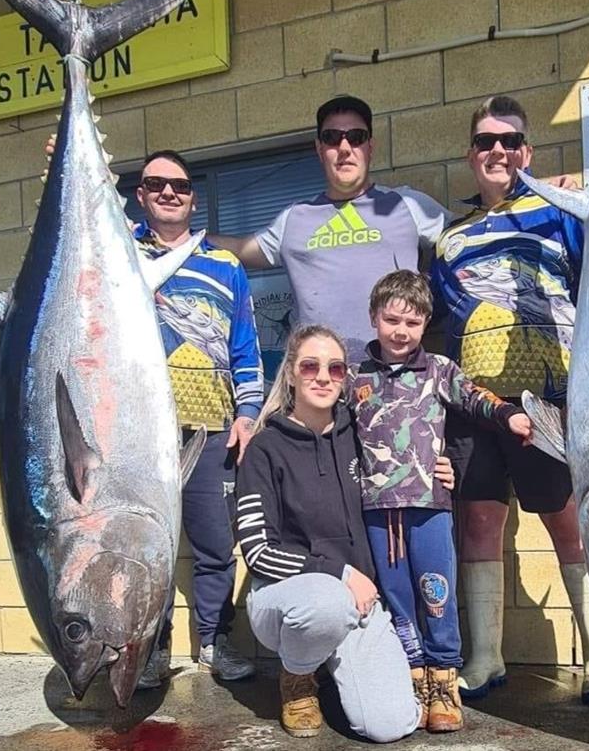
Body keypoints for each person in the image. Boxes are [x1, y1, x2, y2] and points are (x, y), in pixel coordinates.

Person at [431, 96, 589, 705]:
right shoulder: (447, 238)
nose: (498, 152)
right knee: (480, 522)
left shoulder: (561, 211)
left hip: (552, 400)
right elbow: (444, 317)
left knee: (567, 521)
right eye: (486, 142)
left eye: (510, 142)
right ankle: (485, 658)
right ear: (470, 154)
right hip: (475, 406)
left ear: (527, 152)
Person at [346, 270, 532, 732]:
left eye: (411, 323)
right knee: (397, 597)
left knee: (436, 593)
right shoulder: (354, 376)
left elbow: (475, 399)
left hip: (430, 505)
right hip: (377, 510)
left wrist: (509, 416)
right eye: (391, 320)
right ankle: (412, 678)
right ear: (374, 318)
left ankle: (444, 679)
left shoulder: (440, 370)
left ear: (425, 324)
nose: (400, 331)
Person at [235, 325, 420, 741]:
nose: (323, 377)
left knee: (390, 725)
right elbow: (258, 552)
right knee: (325, 603)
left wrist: (443, 473)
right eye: (310, 366)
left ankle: (335, 669)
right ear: (291, 374)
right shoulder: (264, 450)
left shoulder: (360, 436)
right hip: (289, 601)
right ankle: (298, 676)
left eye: (335, 368)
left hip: (358, 600)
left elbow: (409, 468)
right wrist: (339, 571)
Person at [133, 150, 263, 686]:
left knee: (215, 545)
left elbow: (246, 349)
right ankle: (150, 648)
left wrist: (248, 414)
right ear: (140, 195)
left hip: (212, 430)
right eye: (156, 184)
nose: (169, 193)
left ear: (192, 196)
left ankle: (214, 641)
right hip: (140, 433)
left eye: (180, 186)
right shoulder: (119, 252)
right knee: (148, 547)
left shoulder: (226, 265)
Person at [210, 95, 454, 362]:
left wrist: (433, 302)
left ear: (370, 147)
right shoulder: (294, 219)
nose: (345, 147)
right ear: (319, 148)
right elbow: (241, 250)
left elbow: (468, 240)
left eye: (356, 137)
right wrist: (183, 240)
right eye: (332, 138)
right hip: (319, 382)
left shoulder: (407, 205)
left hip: (393, 383)